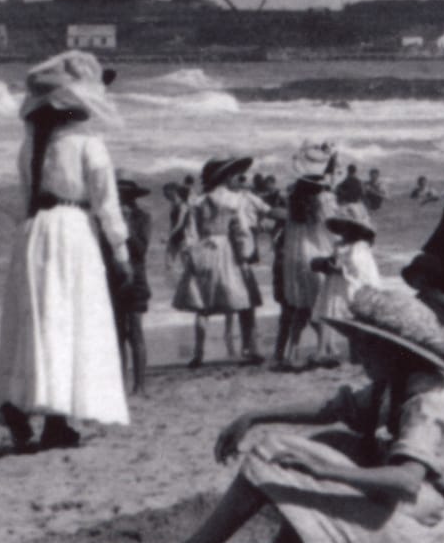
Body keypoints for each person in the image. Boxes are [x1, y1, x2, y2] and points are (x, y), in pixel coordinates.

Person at [75, 286, 444, 543]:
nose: (356, 353)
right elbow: (333, 409)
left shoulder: (425, 403)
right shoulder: (399, 385)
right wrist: (255, 415)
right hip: (425, 520)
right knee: (338, 441)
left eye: (365, 345)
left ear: (394, 351)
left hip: (420, 531)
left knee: (270, 454)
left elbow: (405, 481)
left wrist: (324, 471)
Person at [0, 51, 132, 451]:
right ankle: (56, 419)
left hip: (34, 231)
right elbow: (107, 204)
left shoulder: (31, 146)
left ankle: (23, 405)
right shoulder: (89, 145)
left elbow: (23, 200)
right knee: (70, 319)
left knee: (36, 319)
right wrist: (121, 253)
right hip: (72, 230)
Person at [174, 156, 264, 367]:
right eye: (234, 175)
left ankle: (199, 353)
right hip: (228, 250)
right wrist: (245, 254)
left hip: (204, 249)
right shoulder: (235, 200)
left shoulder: (198, 201)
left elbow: (190, 233)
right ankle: (249, 349)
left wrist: (191, 254)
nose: (236, 178)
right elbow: (240, 230)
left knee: (202, 304)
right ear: (227, 177)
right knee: (244, 301)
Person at [274, 174, 336, 368]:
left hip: (295, 259)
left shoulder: (293, 207)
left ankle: (291, 352)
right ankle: (323, 350)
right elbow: (328, 233)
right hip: (314, 257)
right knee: (320, 306)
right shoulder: (318, 207)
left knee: (301, 308)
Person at [109, 178, 152, 395]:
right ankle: (120, 386)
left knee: (135, 332)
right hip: (113, 279)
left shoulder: (142, 217)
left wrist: (125, 227)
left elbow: (141, 249)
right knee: (117, 334)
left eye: (124, 196)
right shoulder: (106, 219)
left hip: (136, 279)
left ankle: (139, 386)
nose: (120, 201)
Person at [312, 214, 381, 334]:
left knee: (349, 311)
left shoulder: (359, 247)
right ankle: (327, 343)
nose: (344, 232)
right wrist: (325, 264)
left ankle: (348, 337)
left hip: (350, 283)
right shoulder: (340, 244)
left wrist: (339, 269)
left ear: (355, 231)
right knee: (332, 311)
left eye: (347, 228)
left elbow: (358, 268)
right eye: (342, 228)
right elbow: (335, 259)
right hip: (337, 283)